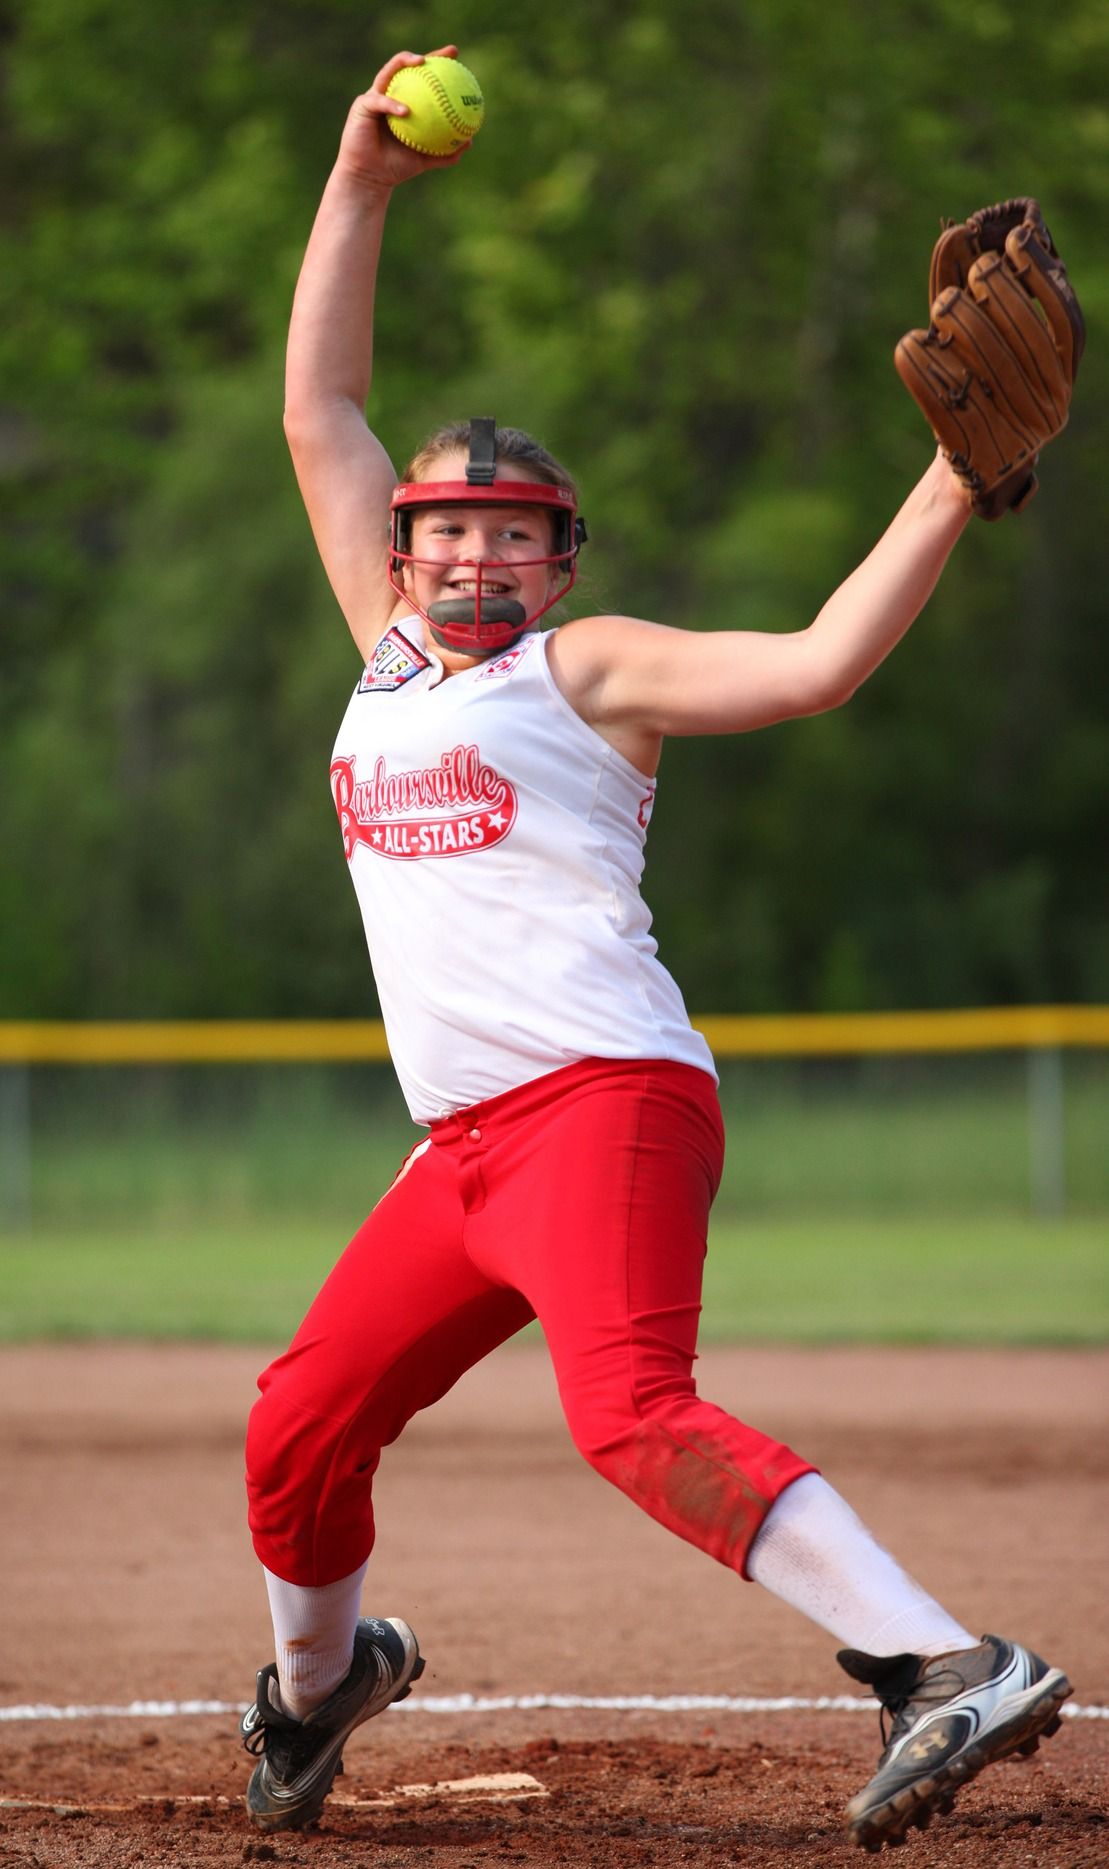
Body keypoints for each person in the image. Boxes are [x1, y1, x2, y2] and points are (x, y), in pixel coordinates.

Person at [238, 46, 1072, 1851]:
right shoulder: (385, 656)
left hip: (601, 1098)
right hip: (462, 1148)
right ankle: (318, 1689)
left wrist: (947, 482)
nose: (474, 555)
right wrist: (358, 183)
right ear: (401, 552)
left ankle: (947, 1661)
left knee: (629, 1414)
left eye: (512, 536)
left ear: (556, 564)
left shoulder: (586, 667)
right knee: (299, 1422)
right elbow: (319, 407)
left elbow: (817, 663)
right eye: (445, 529)